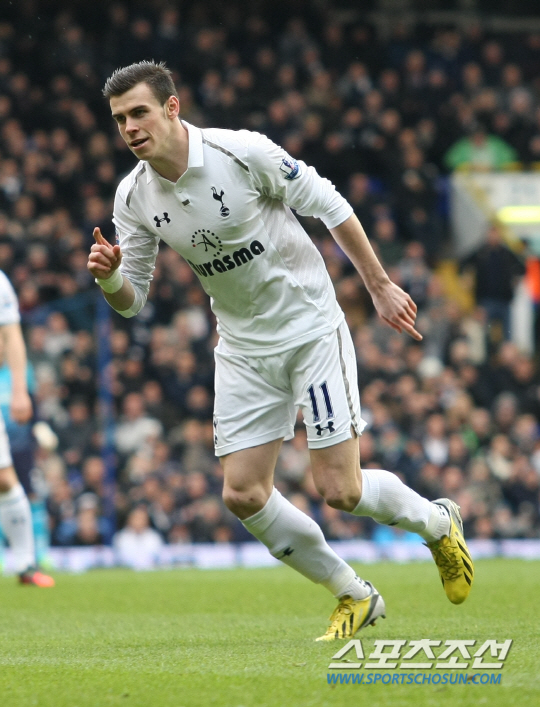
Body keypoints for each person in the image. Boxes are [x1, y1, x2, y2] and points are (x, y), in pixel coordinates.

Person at [87, 61, 473, 641]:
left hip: (310, 329)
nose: (130, 128)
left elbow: (330, 203)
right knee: (243, 494)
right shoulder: (133, 196)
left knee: (340, 490)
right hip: (243, 348)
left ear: (171, 107)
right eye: (120, 120)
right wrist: (111, 278)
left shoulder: (242, 152)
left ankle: (438, 522)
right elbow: (132, 301)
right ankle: (353, 593)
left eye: (139, 112)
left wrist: (378, 285)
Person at [0, 270, 55, 586]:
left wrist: (20, 390)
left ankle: (26, 565)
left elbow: (11, 334)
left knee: (5, 480)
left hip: (20, 442)